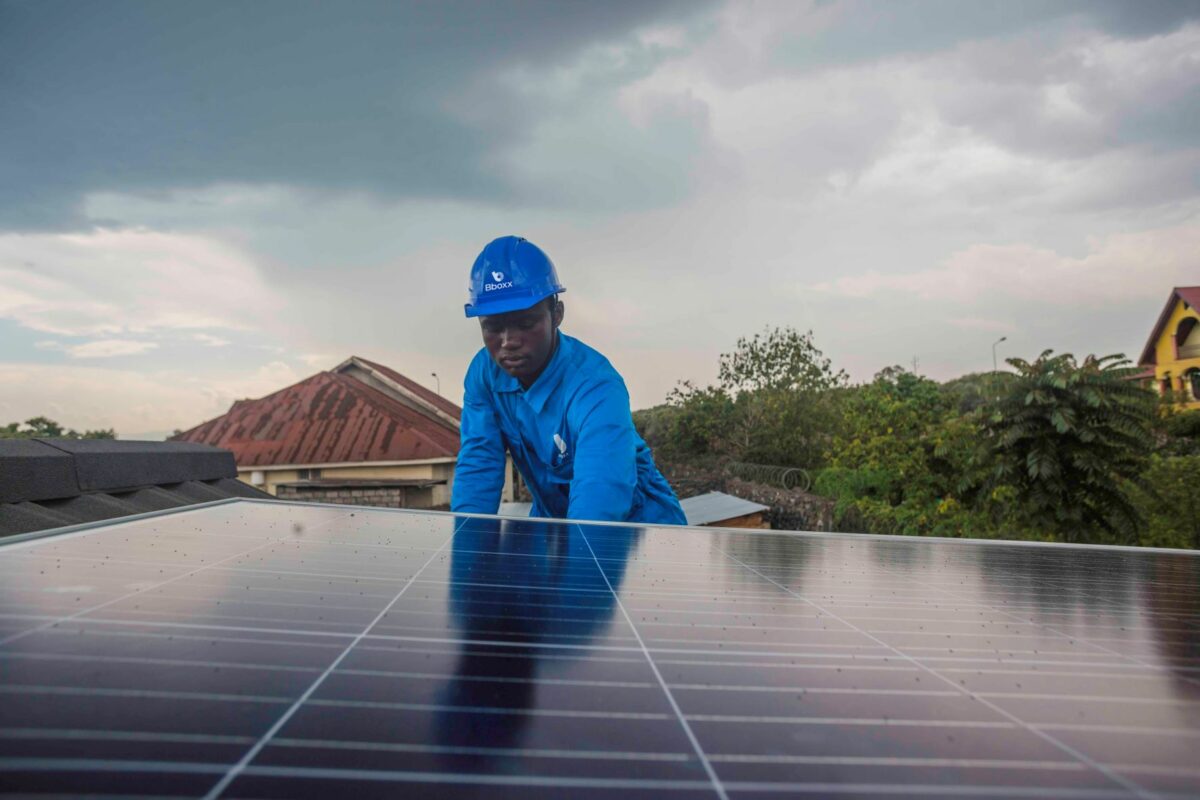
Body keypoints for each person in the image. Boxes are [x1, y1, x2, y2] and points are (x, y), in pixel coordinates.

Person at [450, 235, 687, 525]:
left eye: (525, 323)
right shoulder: (484, 374)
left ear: (556, 314)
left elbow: (600, 496)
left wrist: (579, 560)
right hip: (555, 525)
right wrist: (465, 552)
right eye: (493, 328)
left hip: (637, 527)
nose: (508, 341)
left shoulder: (596, 387)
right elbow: (479, 466)